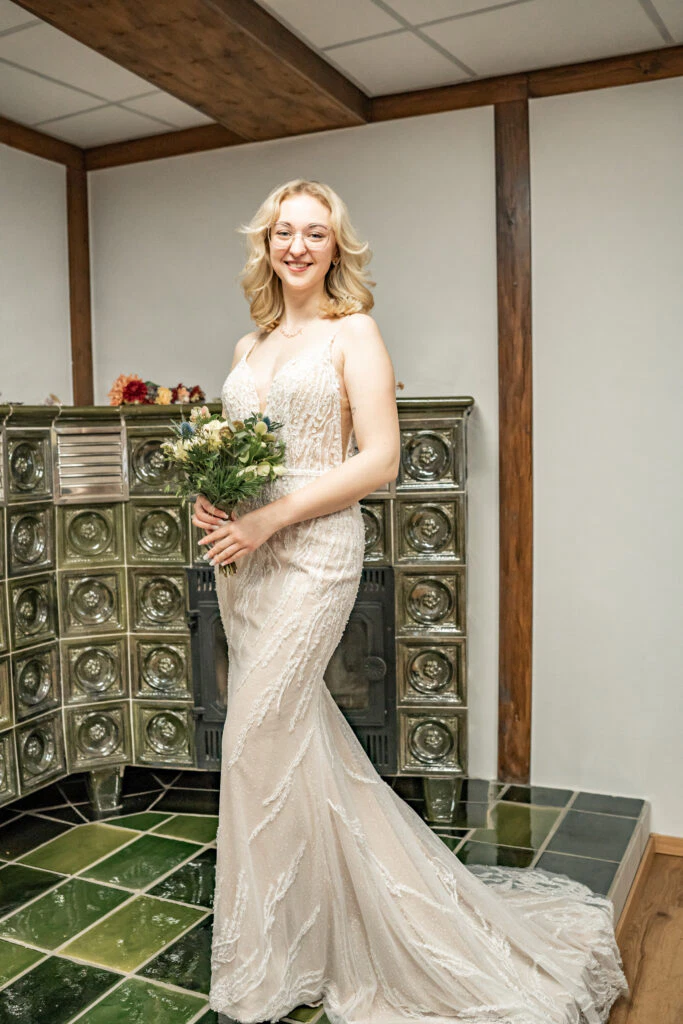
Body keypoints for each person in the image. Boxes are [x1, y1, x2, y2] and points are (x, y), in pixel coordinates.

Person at [193, 179, 628, 1024]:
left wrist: (272, 517)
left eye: (313, 234)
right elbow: (238, 454)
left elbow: (379, 461)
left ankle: (284, 957)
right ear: (265, 244)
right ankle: (305, 933)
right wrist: (214, 505)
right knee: (287, 745)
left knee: (251, 742)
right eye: (283, 232)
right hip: (242, 560)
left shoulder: (354, 332)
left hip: (313, 551)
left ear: (335, 248)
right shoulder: (248, 347)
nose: (296, 246)